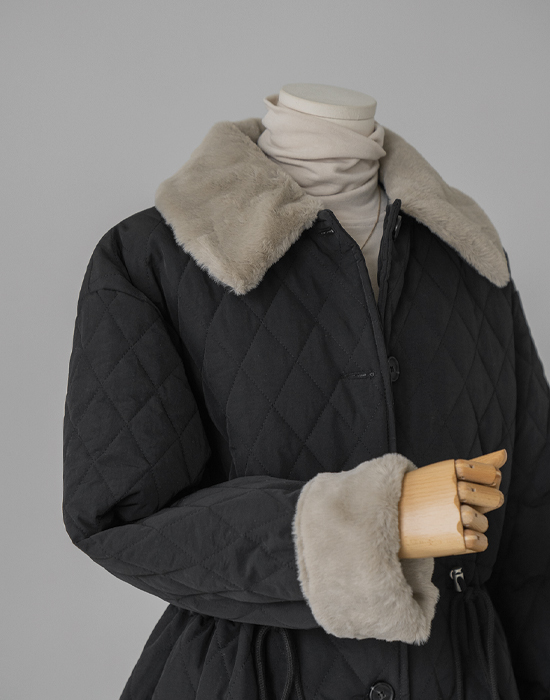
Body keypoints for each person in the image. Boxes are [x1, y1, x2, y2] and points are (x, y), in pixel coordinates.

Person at [62, 83, 550, 700]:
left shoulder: (471, 258)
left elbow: (534, 521)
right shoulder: (154, 257)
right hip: (253, 675)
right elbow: (119, 513)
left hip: (461, 673)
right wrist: (371, 525)